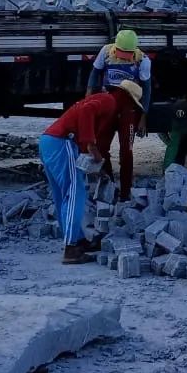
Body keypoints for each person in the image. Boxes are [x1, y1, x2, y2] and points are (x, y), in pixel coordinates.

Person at [42, 81, 144, 263]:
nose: (130, 109)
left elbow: (86, 119)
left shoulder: (103, 100)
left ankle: (78, 240)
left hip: (49, 141)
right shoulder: (109, 101)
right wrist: (90, 144)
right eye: (131, 104)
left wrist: (97, 167)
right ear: (125, 97)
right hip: (62, 142)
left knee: (63, 195)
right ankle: (71, 249)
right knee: (75, 192)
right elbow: (86, 111)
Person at [88, 29, 152, 114]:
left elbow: (146, 88)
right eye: (121, 52)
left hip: (129, 102)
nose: (123, 57)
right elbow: (95, 73)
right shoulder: (106, 51)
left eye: (128, 53)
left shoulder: (143, 60)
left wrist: (143, 115)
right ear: (115, 46)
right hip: (107, 99)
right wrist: (87, 97)